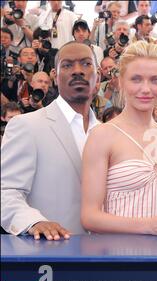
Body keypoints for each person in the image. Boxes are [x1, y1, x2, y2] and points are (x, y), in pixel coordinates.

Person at [81, 41, 157, 236]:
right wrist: (148, 226)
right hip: (120, 259)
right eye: (136, 79)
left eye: (155, 80)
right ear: (121, 82)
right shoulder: (102, 135)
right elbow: (90, 217)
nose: (146, 89)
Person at [1, 41, 100, 239]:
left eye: (86, 64)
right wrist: (34, 221)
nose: (77, 71)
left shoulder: (108, 132)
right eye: (67, 65)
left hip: (107, 257)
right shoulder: (27, 125)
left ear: (98, 75)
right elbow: (6, 192)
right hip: (49, 256)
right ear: (54, 75)